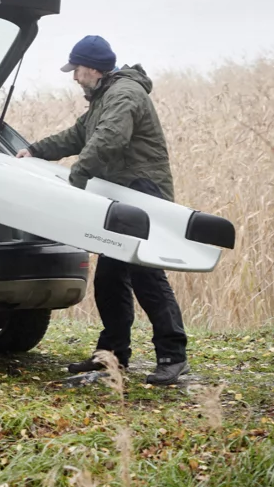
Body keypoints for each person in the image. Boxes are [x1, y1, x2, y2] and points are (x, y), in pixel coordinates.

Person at [17, 35, 190, 386]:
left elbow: (109, 139)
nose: (74, 77)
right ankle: (112, 357)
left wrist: (76, 179)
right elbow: (78, 135)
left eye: (77, 69)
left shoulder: (125, 95)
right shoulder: (103, 97)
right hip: (121, 195)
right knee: (110, 278)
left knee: (146, 274)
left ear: (93, 69)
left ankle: (173, 355)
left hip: (144, 193)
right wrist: (34, 151)